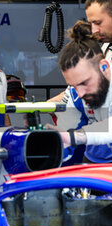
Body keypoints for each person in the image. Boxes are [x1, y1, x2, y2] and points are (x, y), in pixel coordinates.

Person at [46, 20, 112, 163]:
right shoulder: (76, 93)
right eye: (74, 86)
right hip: (95, 160)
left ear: (105, 68)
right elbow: (66, 132)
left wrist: (79, 136)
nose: (80, 93)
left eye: (84, 83)